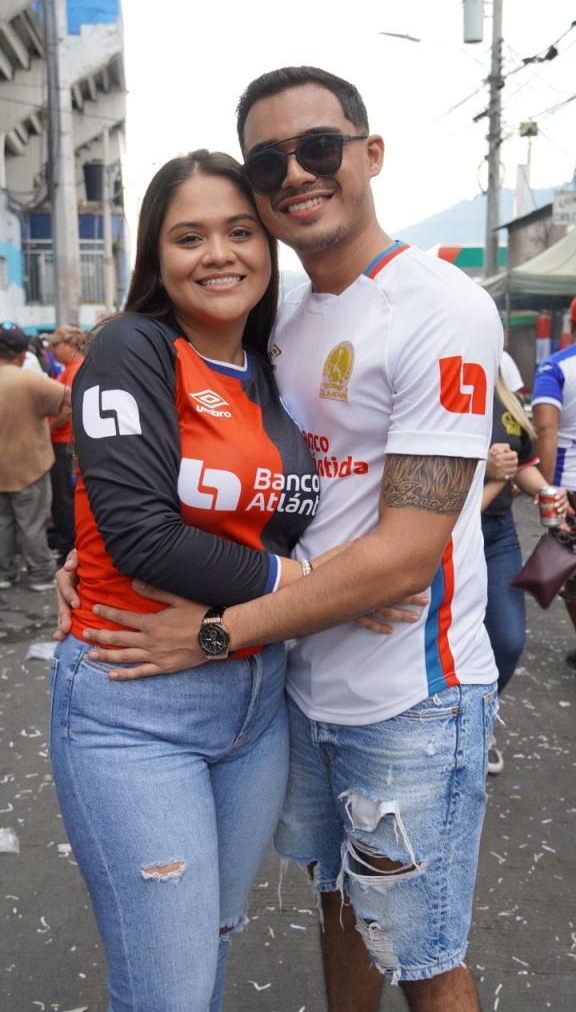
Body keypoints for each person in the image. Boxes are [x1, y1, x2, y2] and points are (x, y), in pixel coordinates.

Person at [58, 68, 503, 1012]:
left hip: (407, 694)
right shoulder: (279, 326)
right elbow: (211, 496)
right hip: (295, 687)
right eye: (270, 162)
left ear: (369, 153)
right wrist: (92, 553)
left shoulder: (443, 307)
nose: (296, 172)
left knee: (419, 949)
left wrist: (219, 631)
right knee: (338, 905)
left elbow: (404, 555)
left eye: (319, 148)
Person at [481, 372, 569, 773]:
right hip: (445, 535)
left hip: (498, 534)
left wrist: (547, 492)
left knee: (508, 639)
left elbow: (523, 463)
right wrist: (488, 470)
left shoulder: (507, 398)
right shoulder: (438, 379)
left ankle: (480, 721)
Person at [0, 323, 69, 591]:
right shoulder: (32, 381)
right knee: (32, 523)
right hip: (29, 464)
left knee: (3, 523)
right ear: (21, 354)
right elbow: (70, 399)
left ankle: (4, 573)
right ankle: (40, 574)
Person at [532, 339, 576, 667]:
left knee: (570, 575)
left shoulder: (556, 366)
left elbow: (546, 428)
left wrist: (544, 489)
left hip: (568, 490)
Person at [45, 326, 84, 562]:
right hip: (63, 440)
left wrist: (47, 430)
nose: (51, 349)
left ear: (70, 346)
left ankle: (66, 544)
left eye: (55, 344)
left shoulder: (75, 369)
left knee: (64, 496)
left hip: (64, 441)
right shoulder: (69, 368)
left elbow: (68, 411)